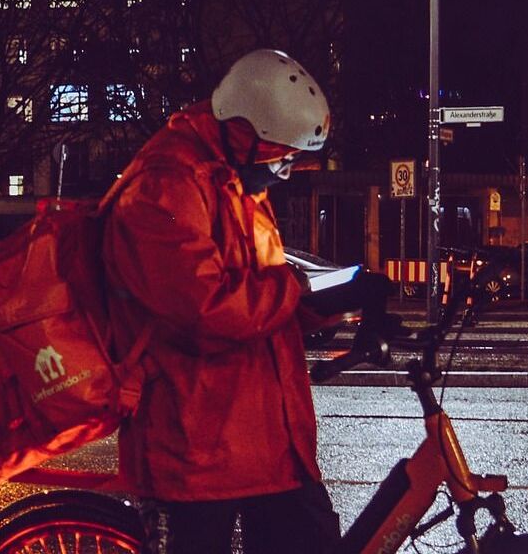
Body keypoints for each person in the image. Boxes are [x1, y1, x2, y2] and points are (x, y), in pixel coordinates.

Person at [101, 49, 374, 554]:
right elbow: (205, 311)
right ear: (245, 132)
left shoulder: (230, 179)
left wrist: (335, 298)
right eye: (280, 155)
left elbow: (261, 295)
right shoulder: (166, 185)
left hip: (264, 442)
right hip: (195, 447)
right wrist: (301, 290)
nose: (286, 171)